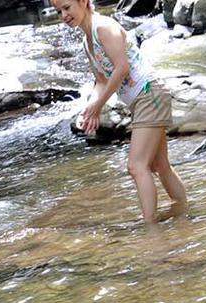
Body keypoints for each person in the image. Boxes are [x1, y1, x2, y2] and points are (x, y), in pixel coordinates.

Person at [51, 0, 188, 225]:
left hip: (149, 93)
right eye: (59, 11)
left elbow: (122, 67)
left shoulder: (103, 27)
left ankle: (150, 228)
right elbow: (101, 81)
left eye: (67, 8)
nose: (64, 15)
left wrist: (99, 105)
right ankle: (184, 213)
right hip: (142, 99)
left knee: (136, 166)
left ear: (83, 2)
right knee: (158, 165)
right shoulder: (88, 42)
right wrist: (90, 108)